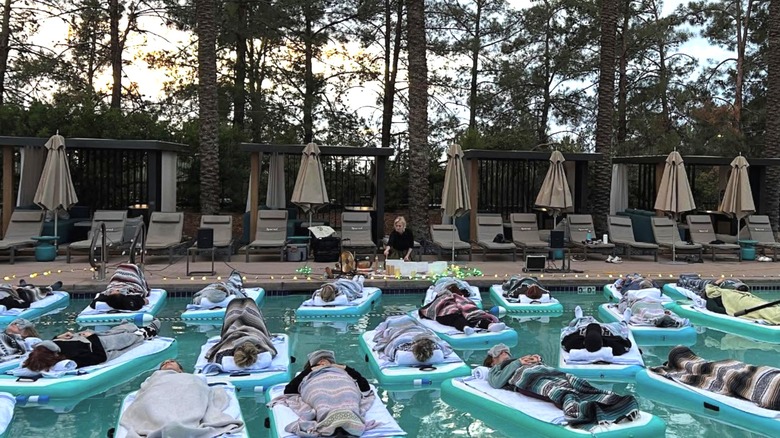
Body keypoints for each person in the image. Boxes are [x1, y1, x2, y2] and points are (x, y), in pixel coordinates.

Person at [483, 343, 640, 427]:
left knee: (576, 382)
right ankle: (585, 409)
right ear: (493, 360)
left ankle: (613, 401)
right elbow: (496, 383)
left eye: (507, 352)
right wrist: (518, 362)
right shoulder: (495, 369)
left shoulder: (518, 359)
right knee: (561, 391)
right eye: (502, 353)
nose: (506, 353)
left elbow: (541, 367)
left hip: (544, 371)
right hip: (528, 378)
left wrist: (537, 360)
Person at [119, 359, 245, 437]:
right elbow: (144, 394)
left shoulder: (192, 378)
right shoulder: (155, 379)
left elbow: (203, 391)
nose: (167, 362)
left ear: (180, 370)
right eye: (164, 364)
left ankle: (179, 423)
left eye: (171, 362)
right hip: (157, 395)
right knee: (151, 403)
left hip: (188, 391)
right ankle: (168, 424)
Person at [274, 350, 377, 437]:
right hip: (317, 386)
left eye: (326, 359)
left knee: (347, 395)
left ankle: (349, 419)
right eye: (319, 360)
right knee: (322, 398)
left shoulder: (341, 370)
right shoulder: (308, 374)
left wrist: (345, 368)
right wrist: (309, 370)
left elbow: (365, 387)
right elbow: (289, 390)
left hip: (343, 384)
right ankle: (331, 422)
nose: (322, 361)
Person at [22, 319, 161, 372]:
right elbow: (99, 357)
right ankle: (146, 333)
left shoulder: (50, 348)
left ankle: (128, 326)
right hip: (102, 346)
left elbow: (51, 345)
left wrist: (59, 337)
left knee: (115, 330)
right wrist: (92, 338)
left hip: (84, 338)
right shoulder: (74, 360)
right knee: (126, 337)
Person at [204, 298, 277, 368]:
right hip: (254, 331)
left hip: (236, 330)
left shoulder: (226, 351)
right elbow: (272, 351)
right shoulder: (263, 348)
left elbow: (213, 358)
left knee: (235, 313)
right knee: (248, 310)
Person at [419, 279, 506, 335]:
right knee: (459, 316)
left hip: (456, 310)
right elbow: (434, 307)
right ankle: (468, 327)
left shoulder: (460, 297)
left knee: (471, 315)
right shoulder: (442, 296)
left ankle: (489, 325)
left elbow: (429, 308)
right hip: (448, 311)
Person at [372, 314, 453, 364]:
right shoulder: (401, 345)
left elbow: (447, 348)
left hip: (406, 328)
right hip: (409, 328)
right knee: (388, 325)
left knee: (387, 324)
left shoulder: (434, 344)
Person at [561, 306, 632, 356]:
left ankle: (579, 318)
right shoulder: (615, 345)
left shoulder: (572, 342)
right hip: (592, 329)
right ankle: (579, 318)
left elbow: (564, 340)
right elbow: (627, 344)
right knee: (619, 326)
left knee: (579, 323)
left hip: (602, 329)